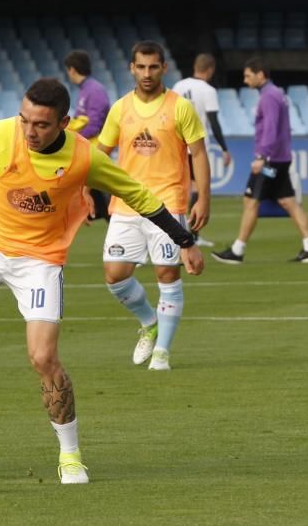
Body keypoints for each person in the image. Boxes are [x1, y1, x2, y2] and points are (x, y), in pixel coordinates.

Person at [0, 78, 204, 485]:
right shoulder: (0, 135)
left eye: (41, 125)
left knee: (43, 358)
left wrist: (185, 240)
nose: (29, 131)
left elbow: (139, 195)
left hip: (40, 261)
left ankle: (70, 454)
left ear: (64, 123)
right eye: (25, 120)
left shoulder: (85, 157)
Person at [98, 42, 210, 372]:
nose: (147, 73)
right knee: (114, 275)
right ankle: (149, 321)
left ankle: (162, 352)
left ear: (164, 69)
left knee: (167, 274)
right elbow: (100, 152)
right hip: (126, 203)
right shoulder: (120, 109)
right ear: (132, 68)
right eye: (141, 67)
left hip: (168, 202)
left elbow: (199, 154)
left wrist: (203, 197)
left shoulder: (180, 107)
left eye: (153, 67)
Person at [213, 58, 308, 265]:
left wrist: (262, 157)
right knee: (288, 201)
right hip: (280, 158)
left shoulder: (269, 97)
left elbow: (270, 129)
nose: (245, 80)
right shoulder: (276, 93)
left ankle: (238, 250)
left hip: (270, 161)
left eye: (248, 76)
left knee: (251, 200)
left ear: (260, 74)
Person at [172, 53, 232, 247]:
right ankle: (193, 235)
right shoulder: (208, 90)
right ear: (211, 69)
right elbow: (213, 122)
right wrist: (224, 148)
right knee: (198, 189)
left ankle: (173, 233)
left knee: (177, 190)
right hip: (196, 147)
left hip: (175, 146)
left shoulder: (178, 86)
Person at [64, 49, 112, 221]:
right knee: (100, 200)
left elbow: (95, 125)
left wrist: (75, 139)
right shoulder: (87, 90)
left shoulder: (94, 90)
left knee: (106, 202)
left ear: (72, 69)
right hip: (88, 152)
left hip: (94, 152)